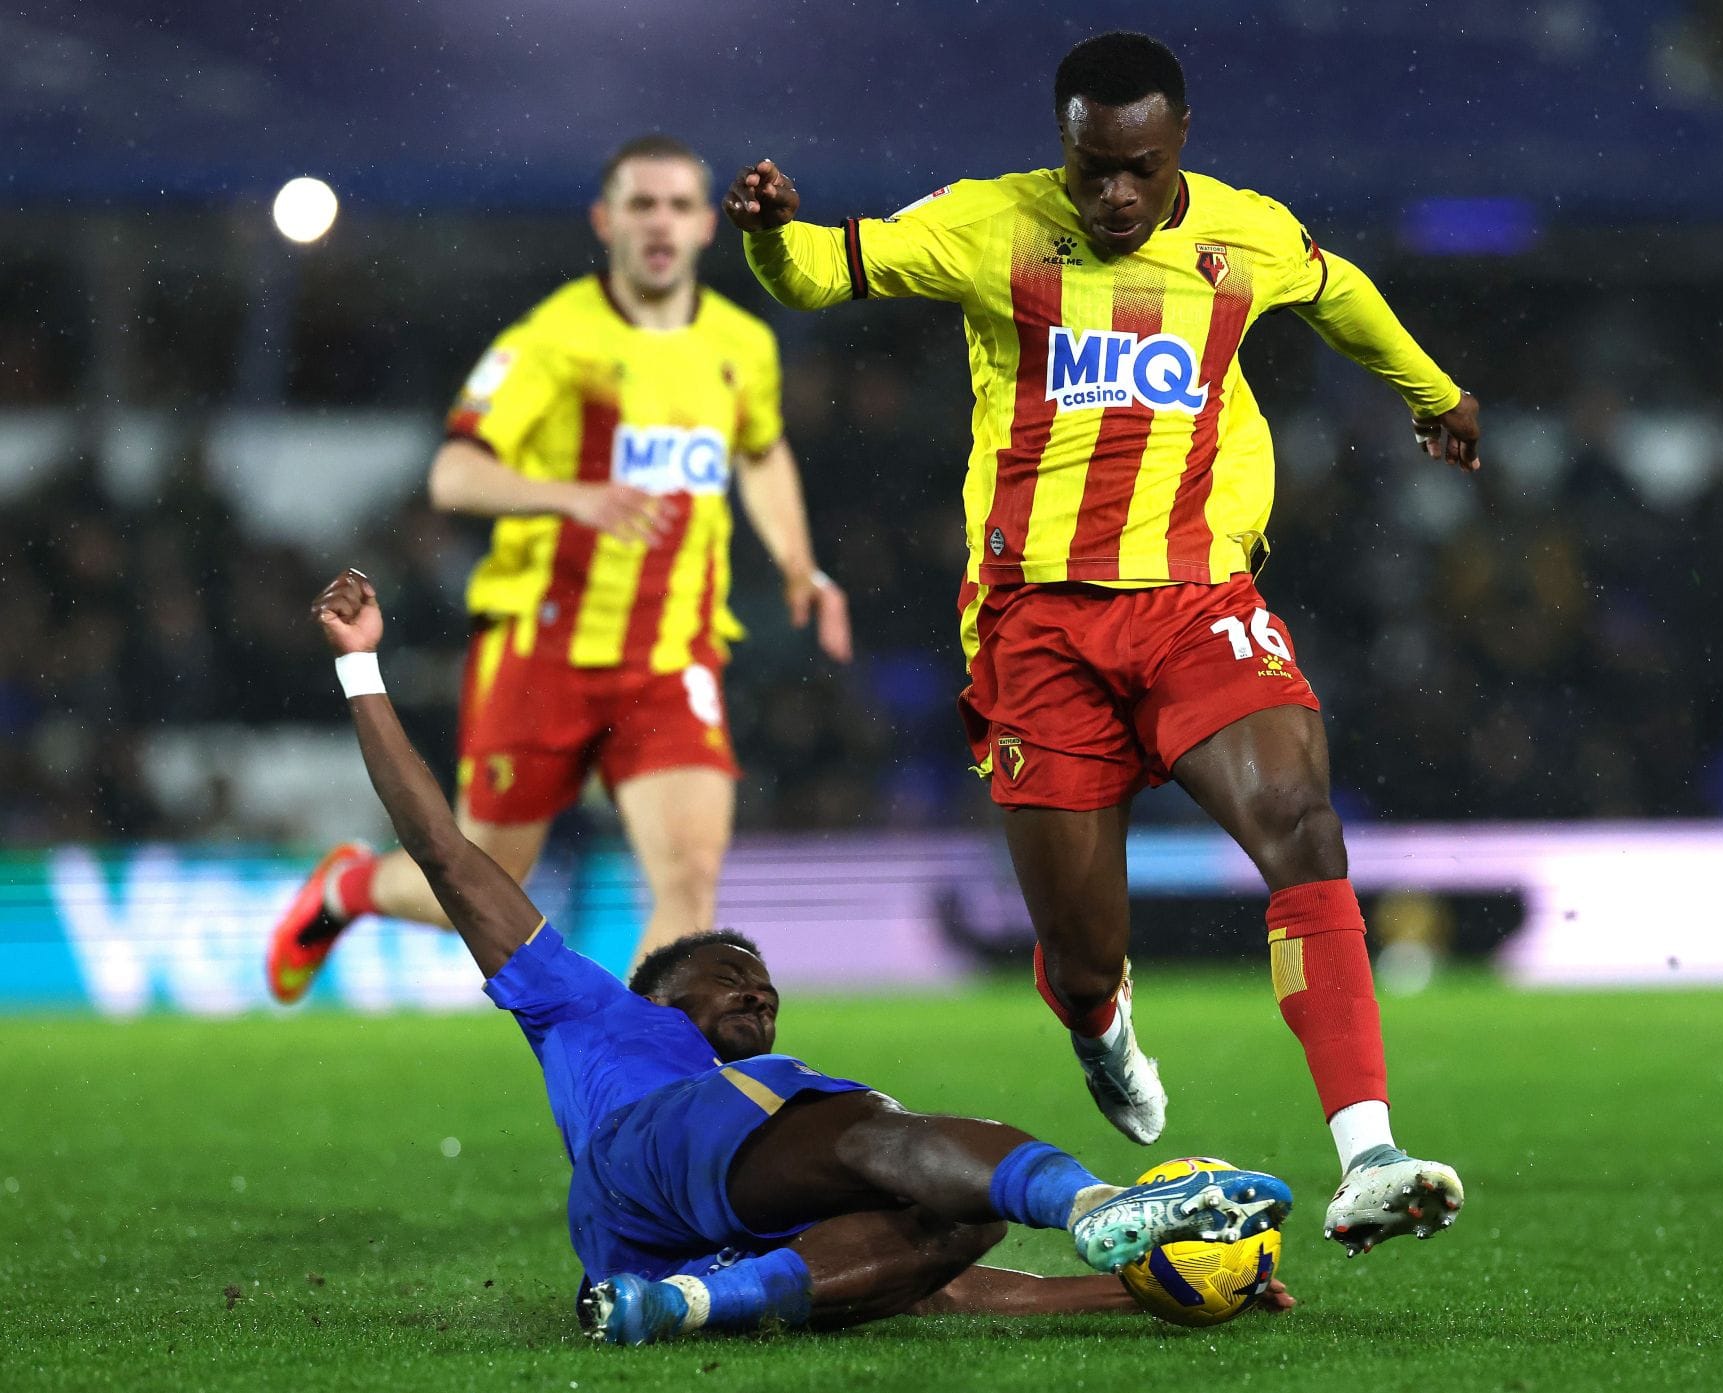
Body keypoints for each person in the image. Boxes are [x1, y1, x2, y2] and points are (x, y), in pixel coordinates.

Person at [723, 32, 1473, 1256]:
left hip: (1193, 599)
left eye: (1136, 168)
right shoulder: (992, 226)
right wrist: (767, 232)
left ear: (1179, 143)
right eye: (1091, 169)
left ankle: (1369, 1152)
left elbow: (1339, 294)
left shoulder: (1247, 237)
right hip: (1036, 624)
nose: (1113, 194)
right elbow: (815, 274)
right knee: (1082, 953)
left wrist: (1434, 395)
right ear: (1062, 150)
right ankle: (1099, 1020)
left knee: (1301, 824)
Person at [307, 567, 1294, 1344]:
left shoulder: (757, 1154)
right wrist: (362, 669)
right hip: (644, 1151)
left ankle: (692, 1306)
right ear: (660, 985)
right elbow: (444, 850)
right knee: (871, 1125)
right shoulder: (594, 1009)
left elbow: (946, 1294)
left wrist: (1146, 1294)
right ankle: (1101, 1198)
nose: (759, 988)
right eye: (730, 969)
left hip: (649, 1249)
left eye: (767, 986)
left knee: (958, 1224)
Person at [268, 134, 852, 1000]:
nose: (660, 222)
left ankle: (641, 1086)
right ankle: (347, 887)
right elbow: (452, 473)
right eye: (641, 204)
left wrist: (801, 563)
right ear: (605, 219)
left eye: (679, 205)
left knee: (689, 878)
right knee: (475, 883)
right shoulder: (552, 340)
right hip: (543, 647)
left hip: (670, 654)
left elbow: (760, 453)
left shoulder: (741, 344)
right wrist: (572, 496)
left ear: (704, 226)